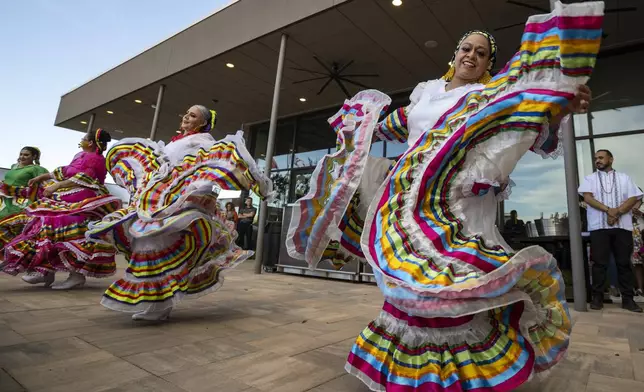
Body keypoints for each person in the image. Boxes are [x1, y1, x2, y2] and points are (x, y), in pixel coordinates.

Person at [289, 1, 602, 390]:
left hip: (462, 199)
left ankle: (461, 373)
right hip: (409, 196)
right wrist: (353, 128)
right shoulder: (426, 92)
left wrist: (558, 106)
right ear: (454, 55)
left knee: (454, 275)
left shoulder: (488, 95)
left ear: (488, 64)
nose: (472, 55)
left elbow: (526, 124)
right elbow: (390, 127)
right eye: (466, 49)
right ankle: (413, 370)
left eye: (481, 53)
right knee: (413, 278)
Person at [86, 105, 272, 321]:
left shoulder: (203, 142)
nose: (186, 116)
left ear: (202, 123)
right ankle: (155, 302)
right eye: (186, 113)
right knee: (144, 245)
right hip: (157, 204)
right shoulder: (176, 141)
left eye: (192, 115)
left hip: (177, 205)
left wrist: (202, 198)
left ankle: (161, 306)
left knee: (155, 246)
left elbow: (211, 173)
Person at [1, 129, 121, 289]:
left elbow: (83, 178)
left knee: (69, 231)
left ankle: (76, 275)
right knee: (43, 225)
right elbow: (64, 171)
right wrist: (41, 178)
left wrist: (57, 185)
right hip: (66, 196)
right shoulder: (80, 155)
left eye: (84, 139)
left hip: (84, 198)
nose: (81, 141)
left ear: (91, 142)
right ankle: (45, 271)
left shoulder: (96, 159)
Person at [579, 149, 643, 312]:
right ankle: (597, 298)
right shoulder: (590, 179)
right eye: (595, 159)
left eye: (601, 158)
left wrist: (618, 212)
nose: (597, 161)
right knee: (599, 264)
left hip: (622, 227)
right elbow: (587, 198)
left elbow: (634, 198)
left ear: (611, 159)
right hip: (599, 227)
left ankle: (628, 300)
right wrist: (609, 210)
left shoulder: (624, 178)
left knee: (624, 263)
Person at [0, 147, 48, 256]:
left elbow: (44, 186)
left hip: (20, 202)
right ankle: (8, 254)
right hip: (5, 200)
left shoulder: (37, 169)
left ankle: (17, 254)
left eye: (26, 155)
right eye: (21, 154)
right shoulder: (14, 166)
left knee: (12, 226)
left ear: (34, 157)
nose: (22, 157)